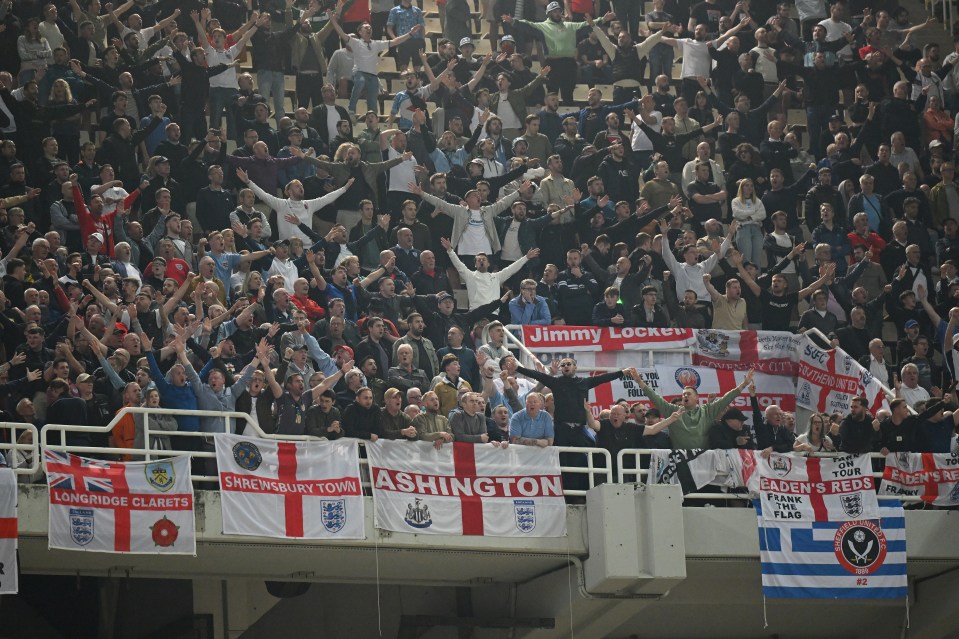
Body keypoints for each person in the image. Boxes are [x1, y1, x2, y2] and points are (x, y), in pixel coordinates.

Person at [630, 366, 755, 449]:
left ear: (697, 397)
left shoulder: (708, 411)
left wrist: (744, 384)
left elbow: (727, 398)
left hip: (704, 458)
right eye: (683, 394)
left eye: (688, 394)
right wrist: (639, 382)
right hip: (681, 460)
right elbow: (654, 397)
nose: (685, 396)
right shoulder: (673, 410)